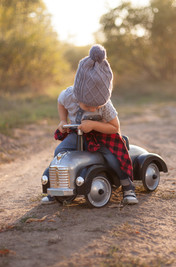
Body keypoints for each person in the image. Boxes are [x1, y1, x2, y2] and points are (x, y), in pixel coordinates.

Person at [41, 44, 138, 205]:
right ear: (77, 95)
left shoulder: (106, 106)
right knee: (60, 151)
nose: (93, 109)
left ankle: (127, 186)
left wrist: (94, 126)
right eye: (88, 106)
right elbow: (60, 103)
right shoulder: (69, 95)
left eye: (97, 106)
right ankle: (56, 187)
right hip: (77, 134)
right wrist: (63, 120)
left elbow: (115, 128)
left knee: (113, 158)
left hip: (102, 137)